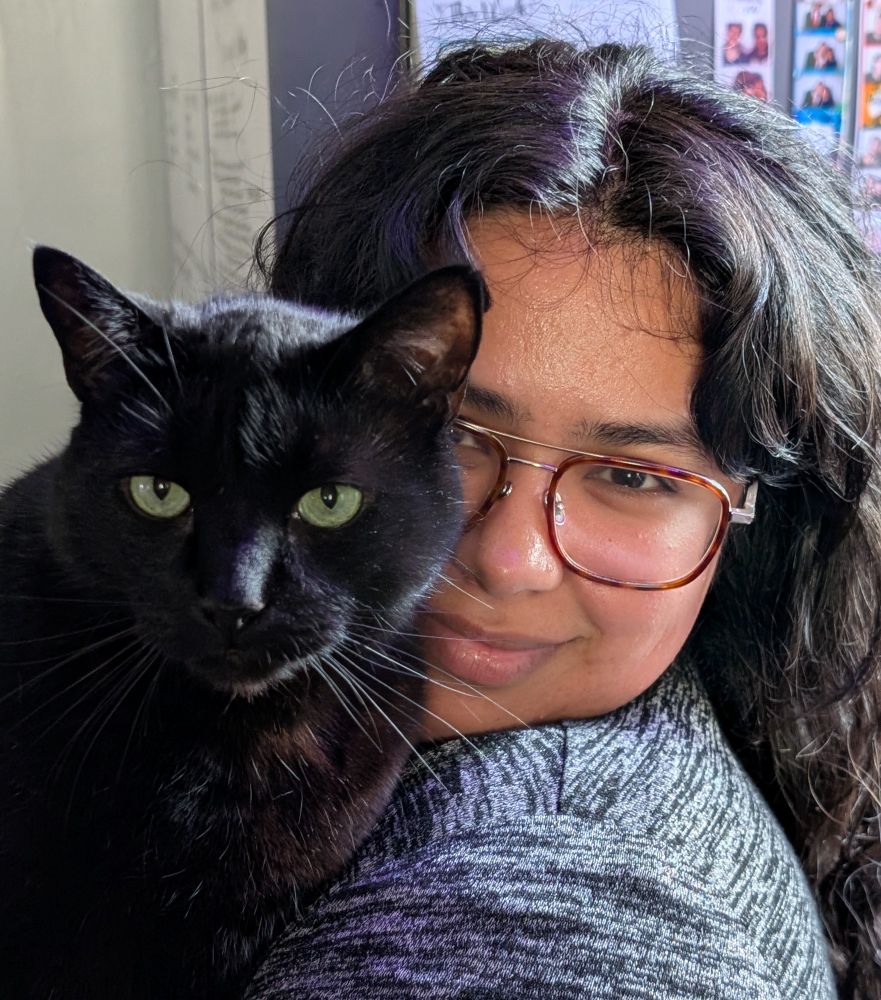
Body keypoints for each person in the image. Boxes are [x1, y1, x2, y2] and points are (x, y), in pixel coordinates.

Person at [247, 41, 881, 999]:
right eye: (444, 432)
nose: (508, 557)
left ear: (744, 533)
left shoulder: (546, 908)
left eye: (631, 476)